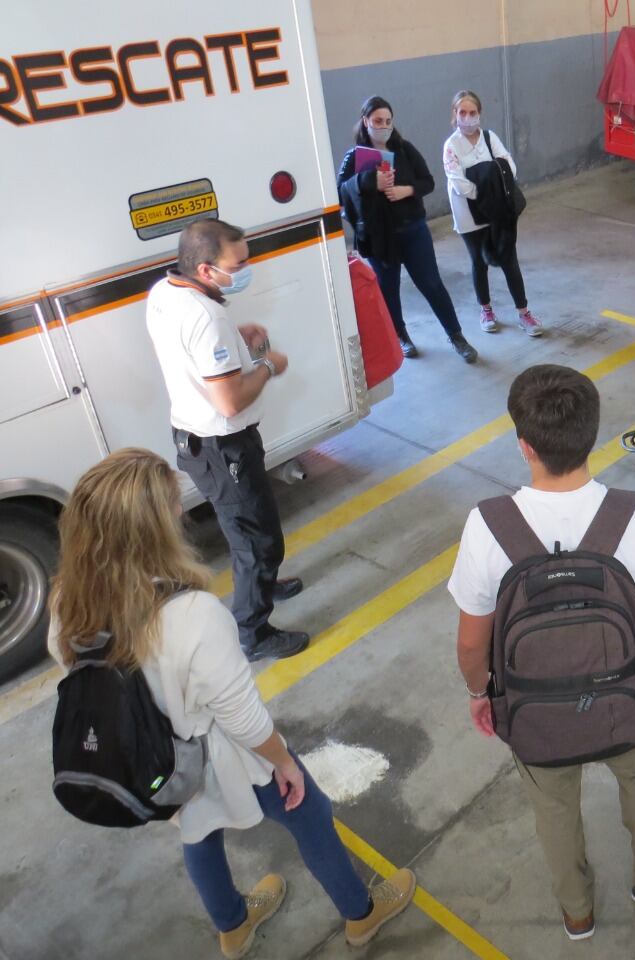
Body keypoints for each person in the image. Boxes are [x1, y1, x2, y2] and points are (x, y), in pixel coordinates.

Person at [48, 449, 415, 959]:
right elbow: (242, 718)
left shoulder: (67, 601)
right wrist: (283, 760)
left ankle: (234, 926)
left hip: (156, 759)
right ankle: (361, 913)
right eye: (173, 506)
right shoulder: (191, 613)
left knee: (198, 831)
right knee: (308, 812)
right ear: (151, 529)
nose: (181, 513)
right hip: (222, 754)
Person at [447, 365, 635, 941]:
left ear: (523, 445)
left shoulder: (487, 525)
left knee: (553, 808)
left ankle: (577, 909)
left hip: (535, 712)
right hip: (625, 697)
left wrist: (479, 692)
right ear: (593, 436)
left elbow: (469, 642)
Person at [145, 219, 308, 662]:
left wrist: (236, 340)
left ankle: (263, 581)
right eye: (237, 264)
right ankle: (253, 633)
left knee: (246, 532)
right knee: (257, 541)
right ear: (204, 269)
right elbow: (230, 400)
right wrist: (268, 366)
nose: (244, 270)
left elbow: (190, 350)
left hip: (196, 441)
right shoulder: (206, 315)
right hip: (223, 446)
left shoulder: (165, 292)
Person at [338, 95, 476, 362]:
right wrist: (368, 180)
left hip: (413, 231)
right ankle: (401, 335)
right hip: (380, 237)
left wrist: (407, 190)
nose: (383, 126)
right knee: (388, 289)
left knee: (431, 283)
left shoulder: (405, 149)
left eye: (388, 121)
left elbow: (428, 182)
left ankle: (456, 336)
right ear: (366, 121)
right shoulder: (354, 157)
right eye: (378, 121)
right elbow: (340, 193)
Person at [443, 90, 543, 338]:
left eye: (472, 112)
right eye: (462, 113)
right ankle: (486, 309)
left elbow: (508, 167)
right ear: (455, 115)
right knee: (478, 261)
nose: (467, 118)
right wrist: (488, 186)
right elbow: (458, 182)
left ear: (480, 114)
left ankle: (524, 312)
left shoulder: (490, 138)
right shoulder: (451, 146)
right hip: (468, 214)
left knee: (509, 260)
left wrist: (486, 181)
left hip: (498, 212)